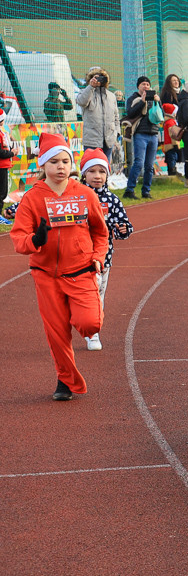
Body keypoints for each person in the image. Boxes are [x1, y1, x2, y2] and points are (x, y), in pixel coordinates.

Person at [10, 133, 108, 400]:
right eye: (53, 162)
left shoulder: (85, 194)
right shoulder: (32, 198)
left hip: (81, 272)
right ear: (42, 165)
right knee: (57, 333)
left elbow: (101, 233)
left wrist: (98, 257)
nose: (60, 167)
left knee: (89, 323)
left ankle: (79, 316)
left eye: (65, 161)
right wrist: (35, 240)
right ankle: (65, 381)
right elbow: (18, 238)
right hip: (46, 276)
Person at [76, 148, 133, 351]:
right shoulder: (74, 196)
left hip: (103, 258)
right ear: (84, 174)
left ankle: (93, 332)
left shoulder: (112, 200)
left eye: (102, 171)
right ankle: (79, 320)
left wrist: (123, 229)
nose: (97, 176)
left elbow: (124, 225)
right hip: (76, 257)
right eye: (92, 171)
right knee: (79, 296)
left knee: (98, 294)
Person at [123, 76, 161, 199]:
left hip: (153, 134)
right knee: (138, 163)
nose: (146, 86)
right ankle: (129, 190)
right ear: (138, 86)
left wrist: (158, 102)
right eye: (143, 84)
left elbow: (161, 115)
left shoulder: (154, 98)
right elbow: (130, 113)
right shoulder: (133, 98)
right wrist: (142, 101)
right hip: (140, 134)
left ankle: (146, 191)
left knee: (149, 165)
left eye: (148, 84)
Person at [76, 67, 120, 159]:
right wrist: (91, 86)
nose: (99, 80)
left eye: (102, 77)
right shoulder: (85, 92)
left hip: (108, 140)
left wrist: (116, 132)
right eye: (96, 77)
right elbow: (81, 102)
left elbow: (116, 117)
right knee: (91, 164)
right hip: (92, 140)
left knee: (105, 166)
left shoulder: (111, 96)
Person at [159, 74, 182, 176]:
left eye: (177, 80)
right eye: (173, 80)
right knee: (171, 146)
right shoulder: (167, 94)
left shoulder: (180, 93)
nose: (176, 82)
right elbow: (166, 108)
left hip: (177, 122)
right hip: (171, 122)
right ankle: (171, 168)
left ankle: (176, 166)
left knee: (178, 146)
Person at [0, 107, 14, 225]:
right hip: (1, 166)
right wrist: (12, 153)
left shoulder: (2, 132)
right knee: (1, 192)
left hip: (3, 166)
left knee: (2, 192)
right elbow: (1, 152)